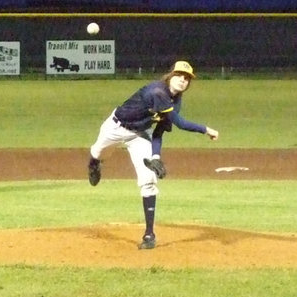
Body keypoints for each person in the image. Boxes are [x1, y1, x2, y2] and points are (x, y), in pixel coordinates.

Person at [87, 60, 220, 249]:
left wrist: (155, 157)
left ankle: (149, 235)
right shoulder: (157, 92)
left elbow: (159, 131)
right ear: (170, 75)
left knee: (149, 180)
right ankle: (94, 163)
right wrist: (205, 129)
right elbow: (180, 123)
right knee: (98, 152)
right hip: (115, 127)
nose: (183, 81)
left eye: (187, 79)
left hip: (139, 135)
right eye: (179, 76)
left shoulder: (176, 99)